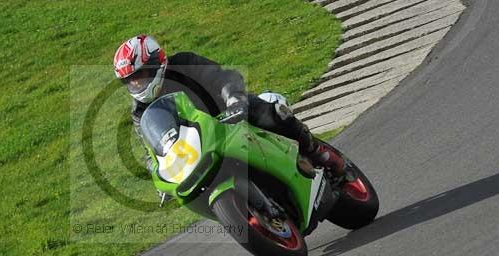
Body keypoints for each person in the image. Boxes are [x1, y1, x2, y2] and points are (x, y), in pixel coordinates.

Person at [113, 34, 345, 175]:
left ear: (156, 62)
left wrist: (233, 98)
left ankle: (315, 150)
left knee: (270, 112)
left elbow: (221, 76)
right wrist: (158, 170)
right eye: (130, 80)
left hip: (231, 113)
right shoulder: (141, 110)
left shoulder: (184, 63)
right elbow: (151, 148)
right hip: (203, 145)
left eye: (140, 74)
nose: (136, 83)